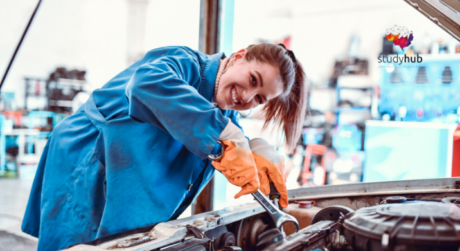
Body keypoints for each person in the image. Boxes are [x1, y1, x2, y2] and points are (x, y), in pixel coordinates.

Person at [21, 43, 307, 251]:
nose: (246, 96)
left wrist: (256, 147)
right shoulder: (183, 62)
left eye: (259, 99)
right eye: (252, 80)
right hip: (86, 169)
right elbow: (146, 84)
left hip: (125, 188)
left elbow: (227, 140)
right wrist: (224, 133)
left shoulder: (225, 112)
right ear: (239, 56)